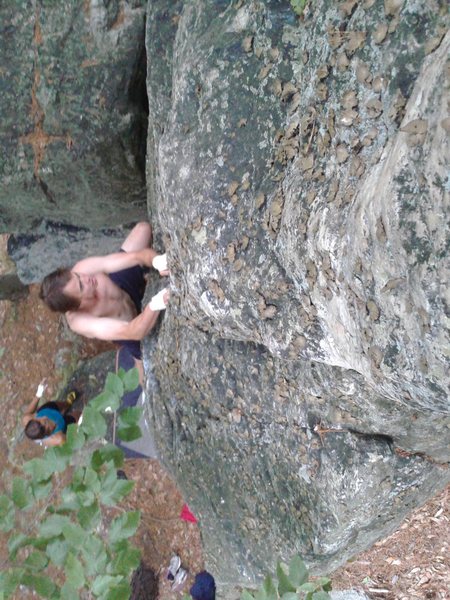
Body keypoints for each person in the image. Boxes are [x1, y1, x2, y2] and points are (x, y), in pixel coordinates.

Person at [39, 222, 169, 379]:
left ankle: (145, 277)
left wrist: (156, 261)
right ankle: (142, 386)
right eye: (81, 286)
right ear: (76, 305)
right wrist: (156, 303)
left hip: (124, 286)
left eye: (78, 277)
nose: (87, 278)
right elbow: (133, 331)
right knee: (144, 367)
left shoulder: (82, 269)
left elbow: (135, 256)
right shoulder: (81, 321)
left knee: (143, 229)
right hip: (130, 322)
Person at [22, 381, 81, 447]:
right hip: (63, 425)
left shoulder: (27, 420)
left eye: (37, 417)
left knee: (63, 405)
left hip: (49, 409)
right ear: (46, 430)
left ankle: (67, 404)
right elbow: (72, 441)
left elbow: (27, 413)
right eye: (44, 421)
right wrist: (78, 428)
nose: (43, 417)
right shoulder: (58, 438)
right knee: (78, 415)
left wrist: (39, 394)